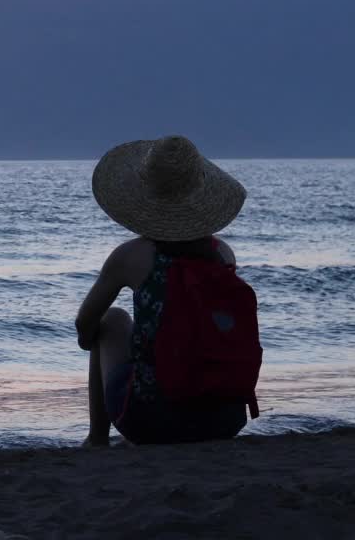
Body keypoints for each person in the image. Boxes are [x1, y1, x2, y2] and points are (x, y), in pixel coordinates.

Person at [76, 135, 260, 446]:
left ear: (143, 198)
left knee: (112, 319)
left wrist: (90, 342)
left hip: (151, 420)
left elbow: (85, 323)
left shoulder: (131, 256)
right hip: (224, 419)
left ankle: (96, 439)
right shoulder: (223, 254)